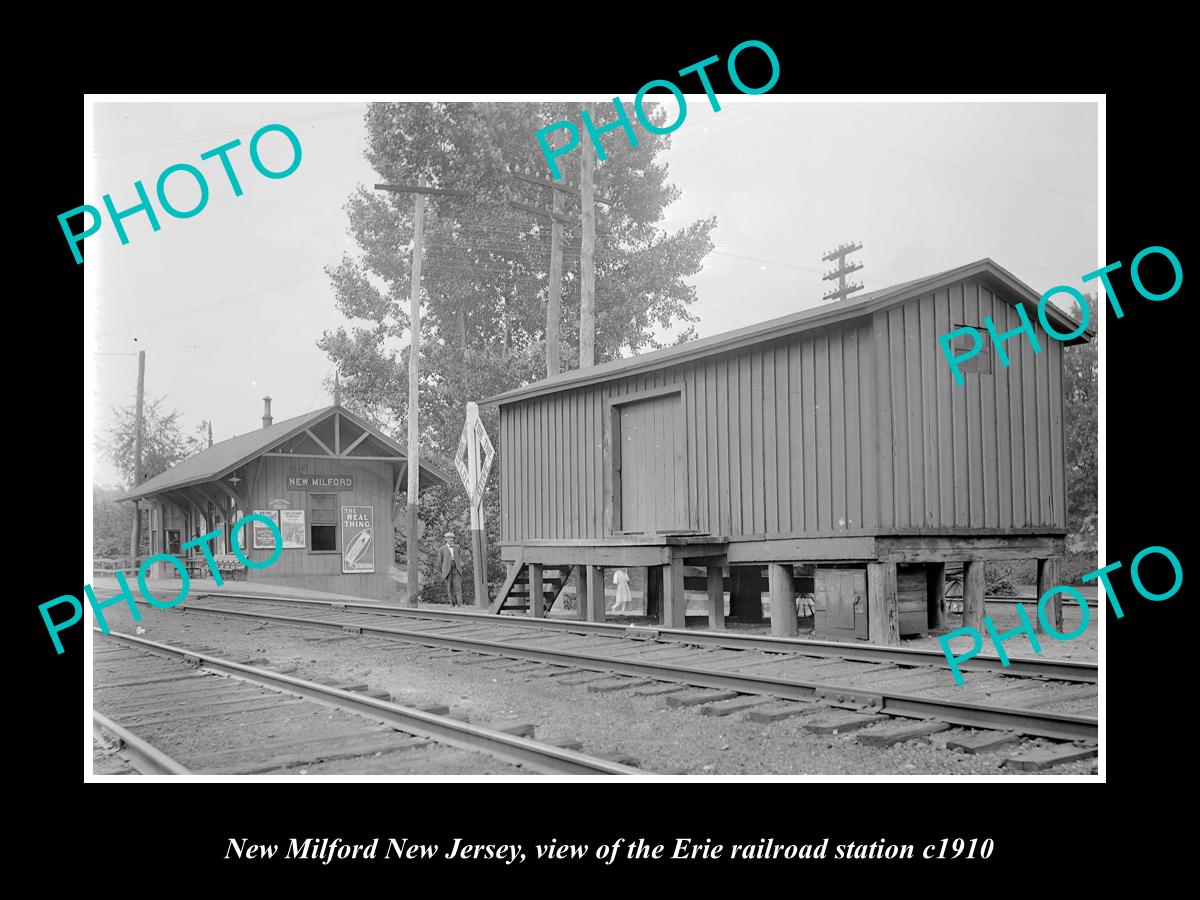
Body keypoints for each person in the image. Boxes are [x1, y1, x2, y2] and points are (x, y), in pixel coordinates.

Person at [439, 532, 463, 607]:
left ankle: (459, 603)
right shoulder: (442, 549)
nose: (451, 540)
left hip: (456, 568)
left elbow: (459, 557)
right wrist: (442, 572)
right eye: (449, 538)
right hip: (447, 569)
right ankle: (452, 603)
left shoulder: (457, 547)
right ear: (446, 539)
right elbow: (440, 562)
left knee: (458, 586)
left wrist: (460, 566)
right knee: (449, 586)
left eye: (452, 538)